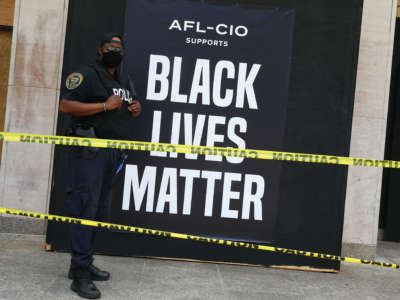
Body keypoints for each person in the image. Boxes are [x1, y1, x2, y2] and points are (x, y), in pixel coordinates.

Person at [59, 33, 142, 299]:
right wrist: (104, 106)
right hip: (89, 151)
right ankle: (80, 275)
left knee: (96, 210)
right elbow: (65, 105)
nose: (114, 51)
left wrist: (134, 108)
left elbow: (125, 105)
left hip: (112, 152)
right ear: (99, 50)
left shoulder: (123, 79)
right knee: (84, 207)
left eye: (119, 48)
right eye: (109, 47)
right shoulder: (86, 74)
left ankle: (82, 263)